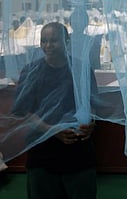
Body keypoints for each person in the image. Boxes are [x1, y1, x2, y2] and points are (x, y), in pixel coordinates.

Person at [12, 22, 97, 199]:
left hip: (77, 152)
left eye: (54, 40)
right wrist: (52, 130)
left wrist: (91, 123)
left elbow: (92, 104)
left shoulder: (81, 69)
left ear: (67, 41)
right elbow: (24, 112)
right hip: (43, 153)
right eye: (44, 41)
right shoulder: (31, 71)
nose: (48, 46)